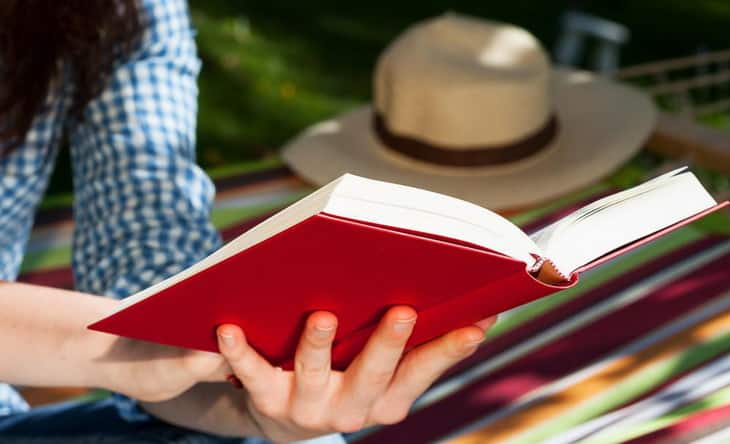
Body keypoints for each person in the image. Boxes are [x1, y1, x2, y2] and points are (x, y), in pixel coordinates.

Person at [0, 1, 495, 442]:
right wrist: (119, 351)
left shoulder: (125, 10)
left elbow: (144, 227)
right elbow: (132, 352)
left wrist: (256, 407)